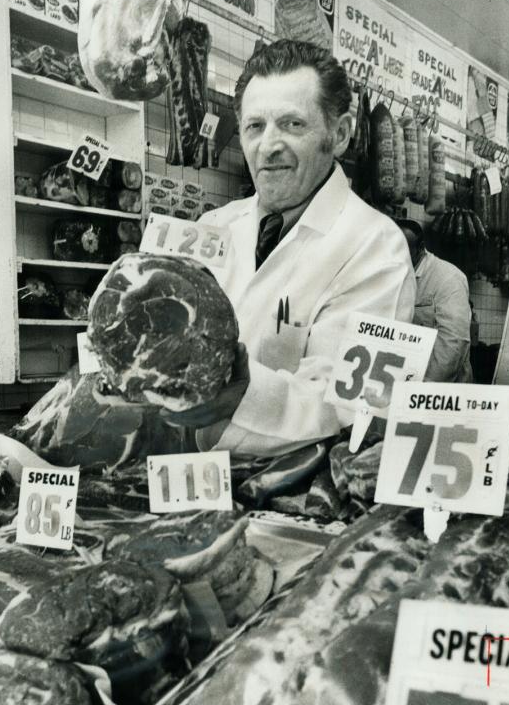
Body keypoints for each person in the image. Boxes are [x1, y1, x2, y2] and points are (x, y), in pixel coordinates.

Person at [164, 39, 416, 457]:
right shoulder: (213, 226)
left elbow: (359, 408)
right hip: (184, 481)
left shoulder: (379, 247)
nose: (269, 145)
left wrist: (247, 395)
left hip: (292, 495)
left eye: (293, 124)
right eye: (255, 126)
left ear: (339, 135)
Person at [398, 220, 473, 384]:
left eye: (402, 250)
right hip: (404, 383)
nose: (395, 255)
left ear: (420, 247)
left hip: (442, 390)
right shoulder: (395, 275)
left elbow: (453, 341)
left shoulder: (448, 277)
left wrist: (426, 387)